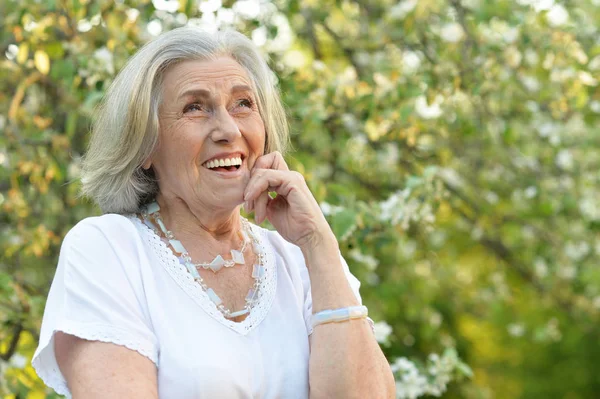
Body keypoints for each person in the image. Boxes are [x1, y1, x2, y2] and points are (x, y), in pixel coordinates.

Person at [31, 26, 395, 398]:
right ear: (145, 146)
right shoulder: (109, 250)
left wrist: (319, 243)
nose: (228, 129)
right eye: (195, 107)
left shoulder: (301, 261)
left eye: (243, 104)